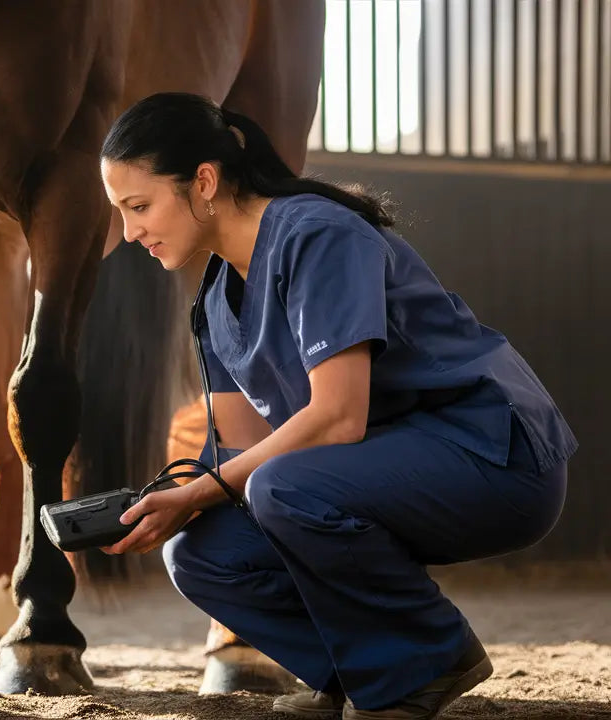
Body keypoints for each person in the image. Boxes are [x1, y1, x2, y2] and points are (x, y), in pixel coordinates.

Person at [98, 92, 575, 720]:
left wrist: (199, 491)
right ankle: (357, 671)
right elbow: (235, 458)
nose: (130, 233)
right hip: (375, 475)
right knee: (200, 552)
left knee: (280, 488)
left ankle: (429, 658)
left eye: (138, 206)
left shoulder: (316, 233)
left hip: (493, 456)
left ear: (204, 181)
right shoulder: (214, 300)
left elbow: (337, 416)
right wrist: (168, 502)